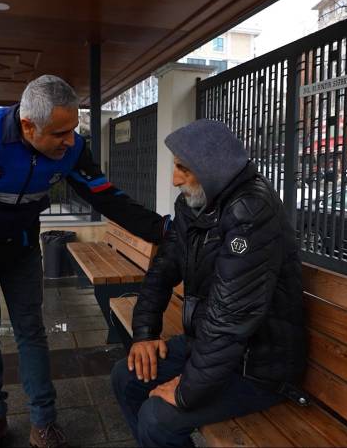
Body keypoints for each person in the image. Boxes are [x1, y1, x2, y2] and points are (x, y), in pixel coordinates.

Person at [0, 74, 166, 447]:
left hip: (20, 251)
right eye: (59, 134)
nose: (70, 142)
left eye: (72, 131)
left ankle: (43, 421)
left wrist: (163, 231)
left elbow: (105, 196)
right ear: (27, 125)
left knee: (32, 332)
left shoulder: (72, 146)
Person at [110, 120, 308, 447]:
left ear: (213, 169)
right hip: (209, 347)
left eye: (183, 169)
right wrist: (145, 333)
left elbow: (232, 316)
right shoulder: (194, 203)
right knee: (125, 376)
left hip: (257, 367)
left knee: (158, 418)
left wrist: (187, 392)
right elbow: (162, 270)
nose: (175, 180)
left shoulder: (251, 210)